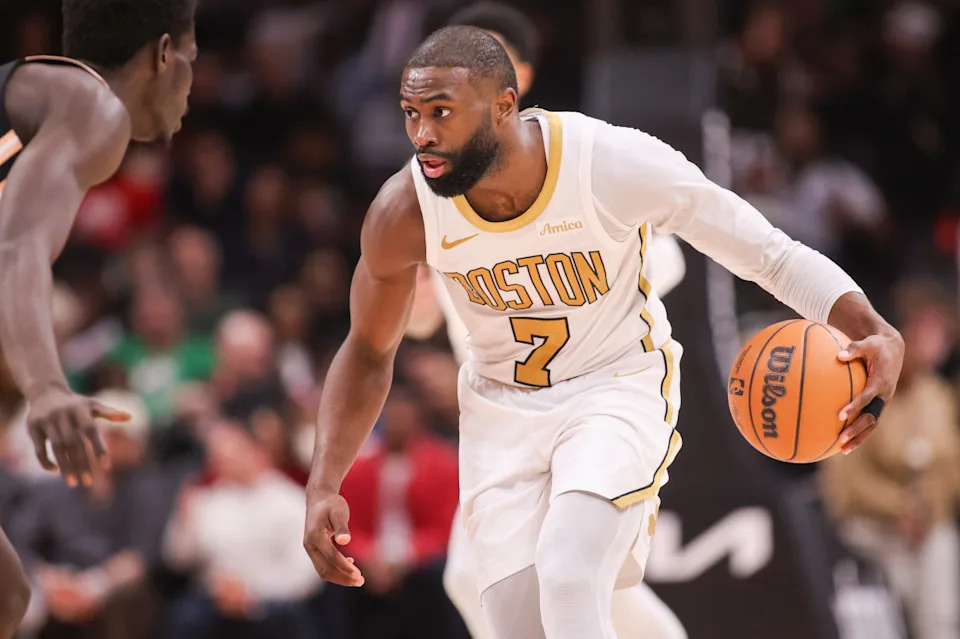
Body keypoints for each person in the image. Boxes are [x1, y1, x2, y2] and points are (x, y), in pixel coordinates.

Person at [303, 26, 904, 639]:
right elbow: (369, 349)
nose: (422, 135)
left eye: (441, 113)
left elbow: (767, 253)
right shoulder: (404, 209)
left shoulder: (609, 163)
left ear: (505, 106)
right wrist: (325, 480)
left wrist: (870, 327)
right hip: (499, 409)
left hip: (614, 386)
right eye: (411, 114)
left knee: (568, 572)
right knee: (513, 621)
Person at [417, 7, 686, 638]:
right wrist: (418, 310)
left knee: (556, 575)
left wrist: (564, 287)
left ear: (519, 77)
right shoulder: (438, 180)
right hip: (505, 418)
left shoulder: (577, 157)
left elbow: (663, 257)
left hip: (589, 401)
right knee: (507, 580)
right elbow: (415, 307)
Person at [0, 0, 197, 634]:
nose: (193, 88)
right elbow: (17, 246)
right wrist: (48, 387)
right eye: (193, 61)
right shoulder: (94, 107)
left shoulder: (46, 96)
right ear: (164, 54)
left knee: (5, 595)